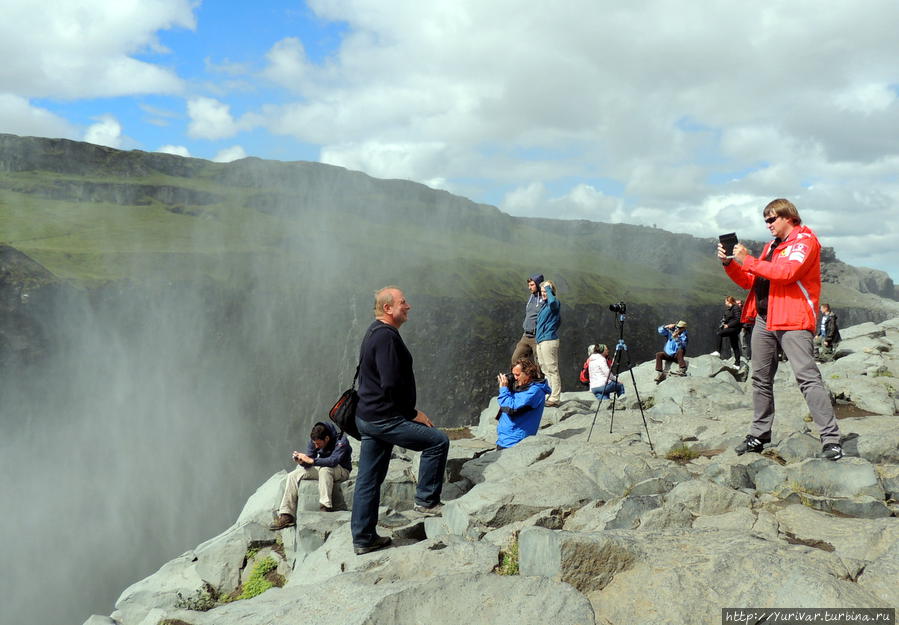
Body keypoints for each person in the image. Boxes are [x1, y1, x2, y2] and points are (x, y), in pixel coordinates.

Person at [718, 198, 843, 461]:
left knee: (807, 378)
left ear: (789, 217)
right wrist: (731, 263)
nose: (768, 224)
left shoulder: (805, 241)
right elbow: (749, 282)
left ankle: (831, 439)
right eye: (765, 220)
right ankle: (759, 434)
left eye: (772, 219)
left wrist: (748, 259)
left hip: (793, 319)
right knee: (760, 378)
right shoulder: (771, 247)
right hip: (764, 319)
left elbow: (788, 273)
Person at [350, 286, 450, 555]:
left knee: (368, 480)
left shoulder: (374, 331)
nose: (408, 306)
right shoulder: (386, 338)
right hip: (385, 418)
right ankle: (426, 501)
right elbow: (391, 383)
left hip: (368, 417)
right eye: (403, 302)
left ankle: (363, 538)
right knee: (437, 441)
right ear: (388, 308)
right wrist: (411, 413)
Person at [270, 421, 352, 530]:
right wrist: (301, 461)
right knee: (293, 475)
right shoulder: (314, 440)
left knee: (325, 470)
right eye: (314, 443)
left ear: (326, 439)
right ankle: (286, 515)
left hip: (341, 470)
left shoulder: (341, 441)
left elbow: (333, 461)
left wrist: (311, 460)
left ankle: (325, 507)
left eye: (318, 444)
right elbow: (309, 460)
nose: (316, 446)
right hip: (323, 467)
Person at [496, 358, 551, 449]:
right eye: (513, 375)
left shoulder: (534, 391)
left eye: (517, 375)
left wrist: (504, 389)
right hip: (505, 440)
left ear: (528, 374)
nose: (515, 378)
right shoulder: (523, 386)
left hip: (515, 443)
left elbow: (511, 409)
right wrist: (508, 387)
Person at [535, 280, 562, 406]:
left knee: (552, 369)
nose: (544, 294)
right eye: (542, 292)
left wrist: (548, 289)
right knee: (545, 369)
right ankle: (549, 394)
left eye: (546, 291)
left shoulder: (554, 303)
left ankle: (555, 397)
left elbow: (552, 302)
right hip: (540, 341)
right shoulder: (544, 305)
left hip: (549, 340)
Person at [510, 273, 544, 367]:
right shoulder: (531, 297)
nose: (529, 287)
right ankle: (523, 379)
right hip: (526, 335)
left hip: (537, 337)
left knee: (539, 363)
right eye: (528, 285)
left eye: (532, 285)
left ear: (538, 284)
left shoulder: (544, 298)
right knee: (515, 359)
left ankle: (539, 380)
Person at [714, 296, 743, 366]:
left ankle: (717, 352)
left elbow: (738, 319)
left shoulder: (736, 308)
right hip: (731, 328)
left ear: (729, 301)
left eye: (725, 301)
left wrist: (728, 325)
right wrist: (724, 322)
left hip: (734, 328)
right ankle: (737, 363)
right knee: (734, 345)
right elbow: (727, 318)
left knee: (719, 334)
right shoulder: (729, 309)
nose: (725, 303)